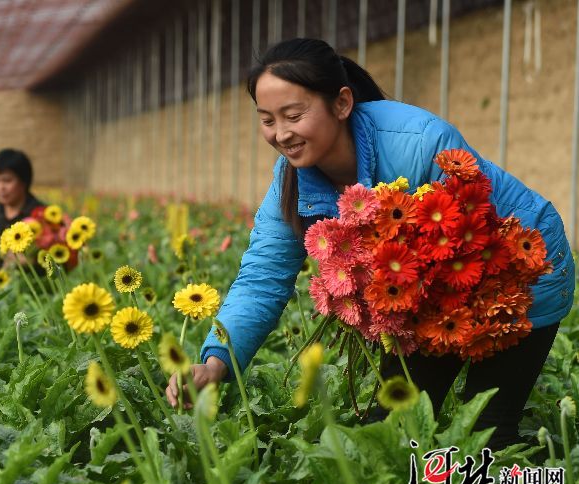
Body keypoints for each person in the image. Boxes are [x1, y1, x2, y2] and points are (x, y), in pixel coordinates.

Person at [165, 38, 575, 451]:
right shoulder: (290, 179)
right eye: (267, 119)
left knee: (486, 434)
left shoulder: (419, 144)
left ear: (342, 103)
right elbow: (263, 277)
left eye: (293, 115)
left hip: (521, 266)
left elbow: (473, 235)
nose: (281, 134)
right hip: (426, 293)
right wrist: (216, 361)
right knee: (394, 430)